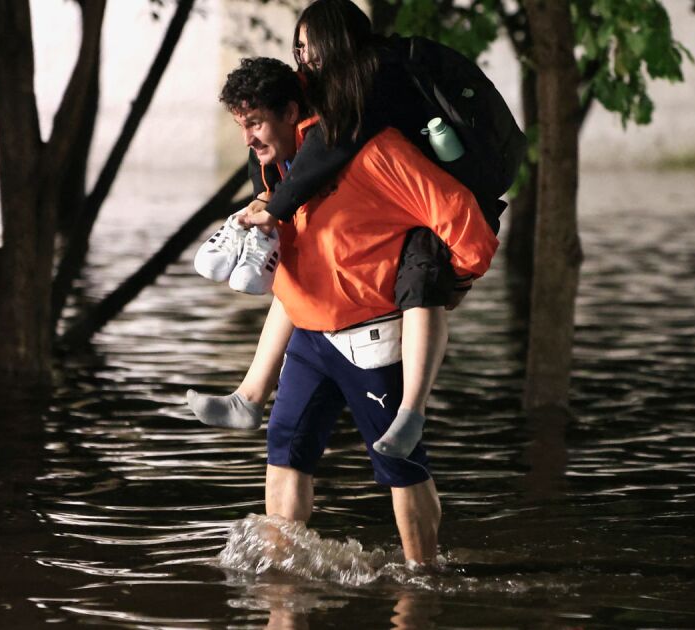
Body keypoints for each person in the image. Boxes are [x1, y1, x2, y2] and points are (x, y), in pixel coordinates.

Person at [211, 56, 497, 564]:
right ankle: (283, 589)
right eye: (242, 126)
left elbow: (463, 220)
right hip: (310, 337)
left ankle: (422, 583)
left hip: (371, 340)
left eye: (255, 124)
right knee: (285, 450)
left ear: (292, 111)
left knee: (401, 464)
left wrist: (447, 282)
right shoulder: (280, 164)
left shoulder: (374, 154)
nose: (248, 139)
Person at [187, 0, 498, 458]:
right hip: (375, 225)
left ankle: (412, 411)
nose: (303, 58)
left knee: (421, 283)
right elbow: (300, 157)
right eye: (298, 48)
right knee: (302, 265)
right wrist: (266, 202)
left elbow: (332, 146)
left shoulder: (373, 81)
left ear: (338, 43)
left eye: (310, 47)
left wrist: (463, 274)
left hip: (429, 208)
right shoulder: (323, 97)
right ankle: (251, 395)